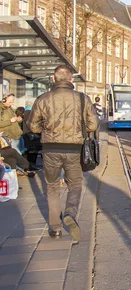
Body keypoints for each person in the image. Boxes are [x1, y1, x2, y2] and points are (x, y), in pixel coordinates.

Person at [28, 65, 100, 242]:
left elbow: (33, 126)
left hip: (50, 149)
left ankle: (55, 228)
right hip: (74, 150)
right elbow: (93, 125)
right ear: (71, 80)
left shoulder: (43, 99)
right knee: (75, 184)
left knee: (51, 186)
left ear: (53, 79)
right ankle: (70, 213)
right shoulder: (83, 99)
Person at [22, 100, 41, 168]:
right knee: (32, 151)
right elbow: (32, 124)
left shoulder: (26, 112)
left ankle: (31, 166)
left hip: (28, 134)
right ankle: (31, 166)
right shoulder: (29, 112)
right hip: (31, 135)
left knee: (31, 151)